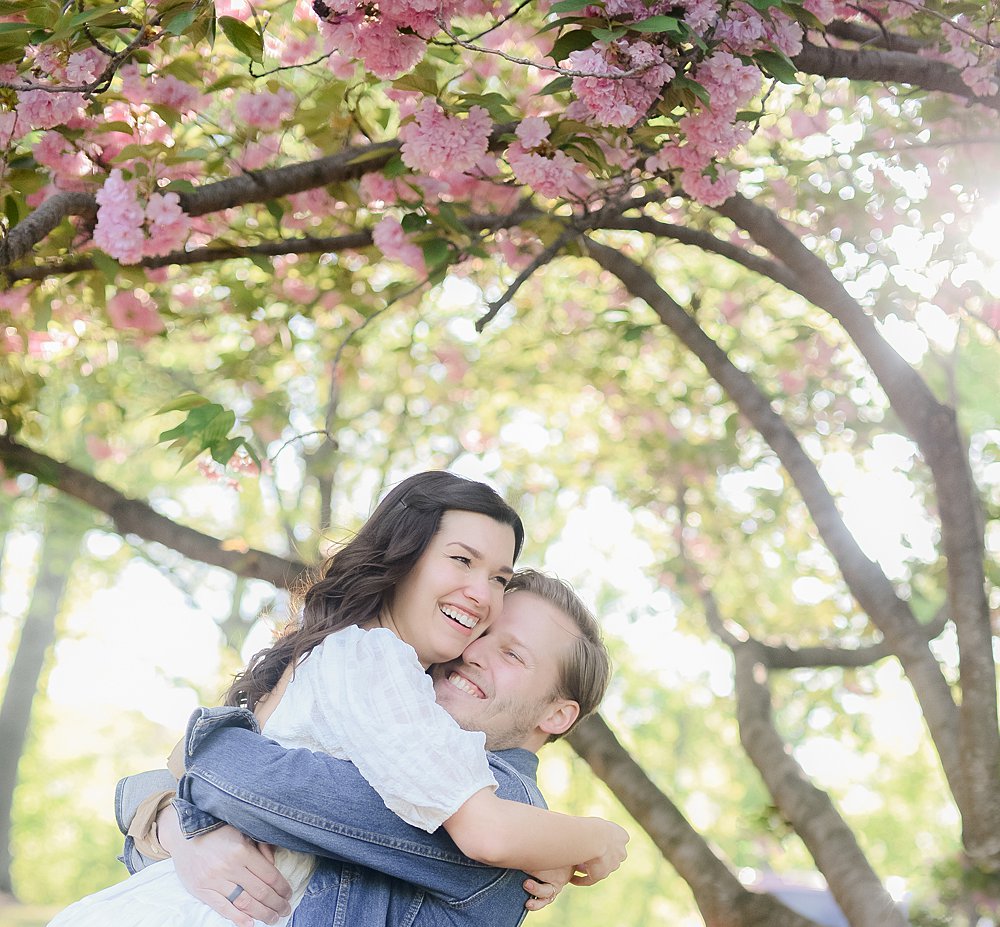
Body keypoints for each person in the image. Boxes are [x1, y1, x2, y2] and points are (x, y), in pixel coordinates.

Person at [50, 472, 628, 927]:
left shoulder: (497, 793)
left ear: (559, 714)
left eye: (498, 579)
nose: (479, 602)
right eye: (461, 560)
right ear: (406, 554)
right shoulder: (376, 664)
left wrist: (180, 807)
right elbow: (203, 766)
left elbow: (219, 769)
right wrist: (594, 838)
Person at [123, 568, 617, 927]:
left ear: (557, 715)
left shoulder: (500, 806)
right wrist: (179, 828)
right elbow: (154, 800)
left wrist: (596, 836)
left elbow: (229, 776)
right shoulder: (394, 745)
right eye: (482, 633)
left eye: (512, 654)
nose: (474, 653)